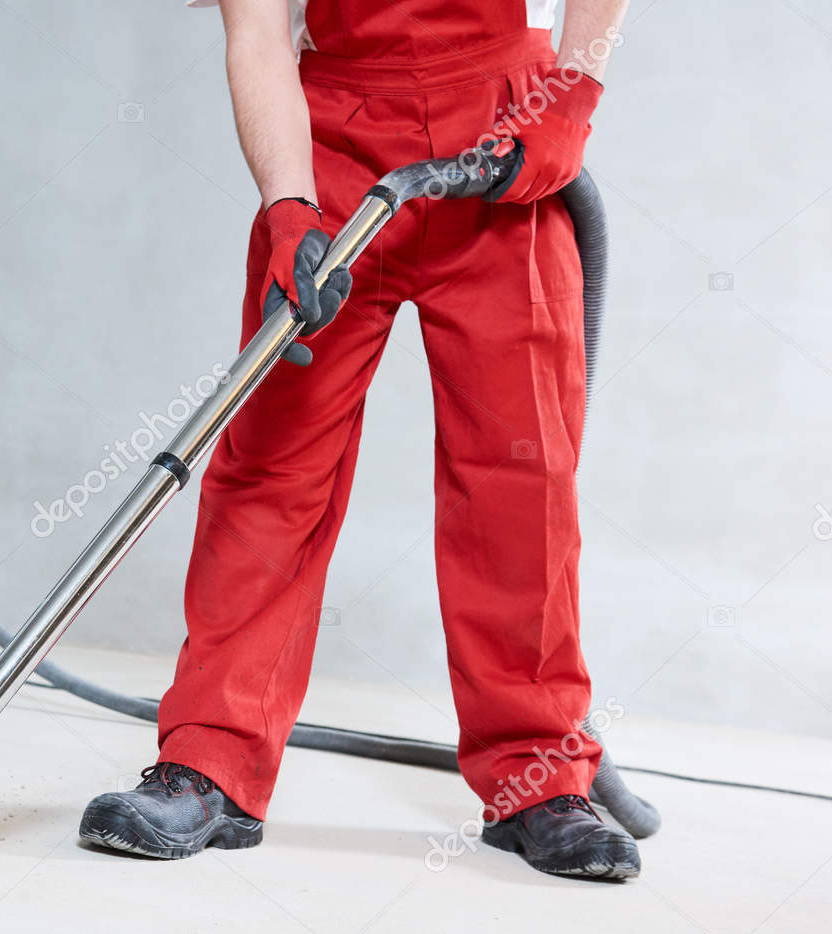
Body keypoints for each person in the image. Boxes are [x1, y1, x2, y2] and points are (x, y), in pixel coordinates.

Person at [79, 0, 642, 879]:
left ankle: (539, 777)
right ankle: (208, 762)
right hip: (333, 135)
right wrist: (288, 208)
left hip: (505, 131)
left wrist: (569, 97)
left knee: (518, 478)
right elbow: (258, 30)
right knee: (272, 465)